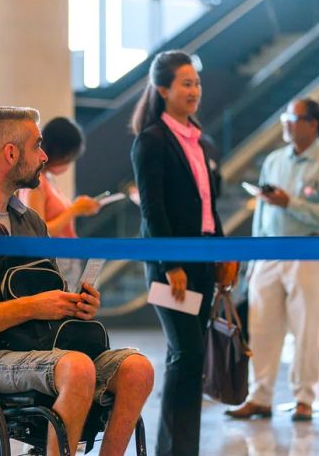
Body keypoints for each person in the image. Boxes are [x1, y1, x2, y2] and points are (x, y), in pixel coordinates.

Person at [0, 106, 154, 456]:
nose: (44, 155)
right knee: (77, 367)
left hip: (37, 343)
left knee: (138, 369)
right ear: (10, 153)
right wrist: (33, 306)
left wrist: (74, 304)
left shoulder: (31, 222)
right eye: (37, 146)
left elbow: (42, 298)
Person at [130, 50, 232, 456]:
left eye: (197, 84)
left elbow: (209, 205)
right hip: (169, 266)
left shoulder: (201, 140)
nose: (194, 91)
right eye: (185, 84)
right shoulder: (151, 141)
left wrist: (224, 253)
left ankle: (180, 448)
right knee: (185, 354)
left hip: (203, 260)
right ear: (163, 90)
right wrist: (170, 263)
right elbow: (152, 208)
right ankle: (175, 450)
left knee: (191, 357)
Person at [226, 97, 319, 422]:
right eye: (285, 117)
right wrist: (252, 262)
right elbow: (263, 212)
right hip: (267, 253)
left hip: (306, 253)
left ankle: (304, 397)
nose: (286, 123)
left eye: (292, 117)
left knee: (305, 328)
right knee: (262, 327)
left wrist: (290, 203)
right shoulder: (274, 160)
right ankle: (259, 396)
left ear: (313, 124)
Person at [18, 116, 101, 288]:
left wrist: (77, 208)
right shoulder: (36, 182)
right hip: (53, 263)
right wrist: (73, 210)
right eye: (69, 158)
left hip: (64, 260)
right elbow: (38, 232)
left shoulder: (47, 180)